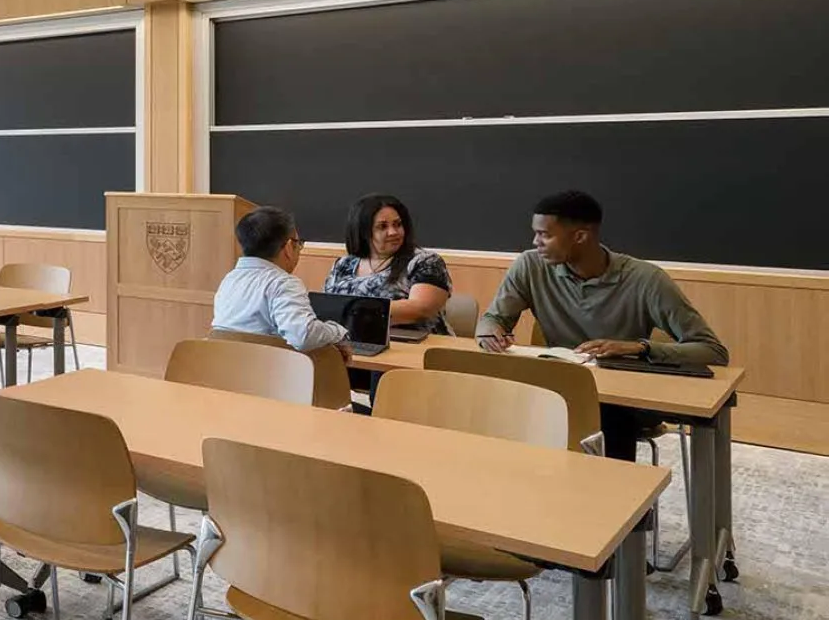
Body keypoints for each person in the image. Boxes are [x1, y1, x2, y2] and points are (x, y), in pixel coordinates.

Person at [477, 190, 727, 462]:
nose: (535, 242)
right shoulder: (530, 266)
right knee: (499, 407)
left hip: (621, 398)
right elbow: (493, 319)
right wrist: (489, 332)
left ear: (580, 236)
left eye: (545, 235)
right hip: (561, 386)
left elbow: (712, 351)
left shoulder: (646, 280)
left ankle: (621, 501)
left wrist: (639, 348)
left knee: (605, 415)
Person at [211, 206, 349, 357]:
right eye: (299, 243)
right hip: (267, 375)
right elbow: (303, 336)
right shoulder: (283, 283)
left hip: (222, 372)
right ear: (289, 247)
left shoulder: (229, 280)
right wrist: (337, 332)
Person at [324, 194, 453, 336]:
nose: (393, 232)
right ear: (363, 231)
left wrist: (354, 311)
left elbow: (421, 309)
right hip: (350, 343)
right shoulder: (343, 264)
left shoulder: (426, 262)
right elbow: (325, 308)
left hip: (412, 346)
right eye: (382, 227)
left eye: (398, 224)